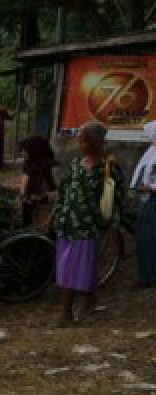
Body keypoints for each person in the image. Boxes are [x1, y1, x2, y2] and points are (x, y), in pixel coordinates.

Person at [51, 121, 121, 323]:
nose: (79, 144)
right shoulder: (76, 163)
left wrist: (113, 229)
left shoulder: (108, 167)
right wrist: (54, 215)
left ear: (97, 142)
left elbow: (117, 200)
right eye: (79, 140)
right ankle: (91, 300)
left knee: (72, 268)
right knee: (75, 267)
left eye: (83, 141)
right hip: (66, 223)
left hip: (87, 226)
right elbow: (64, 191)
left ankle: (66, 313)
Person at [17, 136, 59, 228]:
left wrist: (42, 197)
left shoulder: (52, 169)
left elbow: (61, 194)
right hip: (29, 215)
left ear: (34, 150)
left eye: (24, 150)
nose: (22, 153)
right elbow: (23, 190)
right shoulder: (29, 168)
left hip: (45, 218)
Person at [133, 120, 156, 289]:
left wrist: (151, 187)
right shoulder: (151, 151)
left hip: (153, 202)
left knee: (150, 238)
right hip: (146, 200)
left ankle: (150, 276)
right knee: (144, 238)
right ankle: (145, 274)